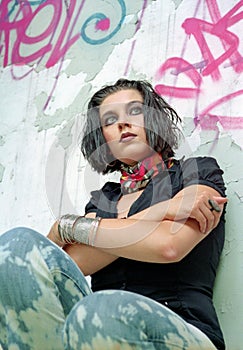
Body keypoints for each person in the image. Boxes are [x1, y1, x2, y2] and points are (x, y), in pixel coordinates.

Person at [0, 79, 227, 350]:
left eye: (134, 111)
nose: (122, 124)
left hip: (180, 328)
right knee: (15, 245)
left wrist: (80, 230)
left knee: (100, 307)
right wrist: (162, 210)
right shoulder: (103, 199)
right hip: (92, 333)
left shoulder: (197, 171)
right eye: (109, 119)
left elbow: (169, 246)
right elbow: (79, 263)